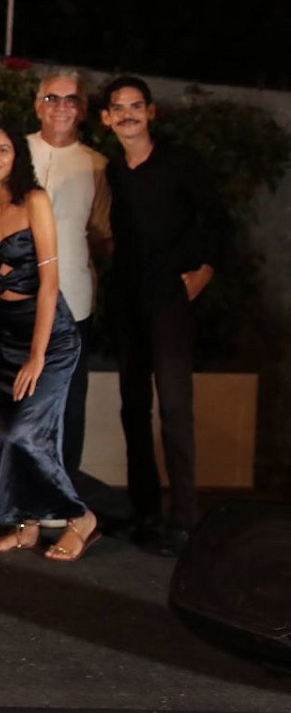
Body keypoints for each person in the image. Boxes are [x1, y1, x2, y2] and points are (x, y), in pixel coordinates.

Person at [102, 75, 227, 556]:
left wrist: (205, 272)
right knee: (133, 408)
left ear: (151, 112)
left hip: (171, 300)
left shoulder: (180, 164)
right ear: (108, 118)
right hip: (127, 302)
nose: (128, 114)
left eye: (137, 105)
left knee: (175, 408)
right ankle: (145, 512)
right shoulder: (113, 172)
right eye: (119, 107)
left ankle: (183, 519)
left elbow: (217, 219)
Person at [0, 124, 97, 560]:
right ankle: (27, 527)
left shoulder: (35, 201)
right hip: (5, 335)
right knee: (3, 431)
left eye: (1, 149)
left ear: (16, 156)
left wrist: (38, 356)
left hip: (51, 336)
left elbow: (49, 285)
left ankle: (80, 518)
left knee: (29, 433)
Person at [26, 71, 110, 486]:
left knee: (68, 401)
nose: (61, 106)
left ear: (83, 110)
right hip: (15, 297)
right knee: (12, 395)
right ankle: (12, 490)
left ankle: (63, 492)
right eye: (52, 98)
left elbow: (102, 234)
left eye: (71, 99)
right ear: (38, 104)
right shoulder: (13, 151)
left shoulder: (97, 165)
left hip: (74, 298)